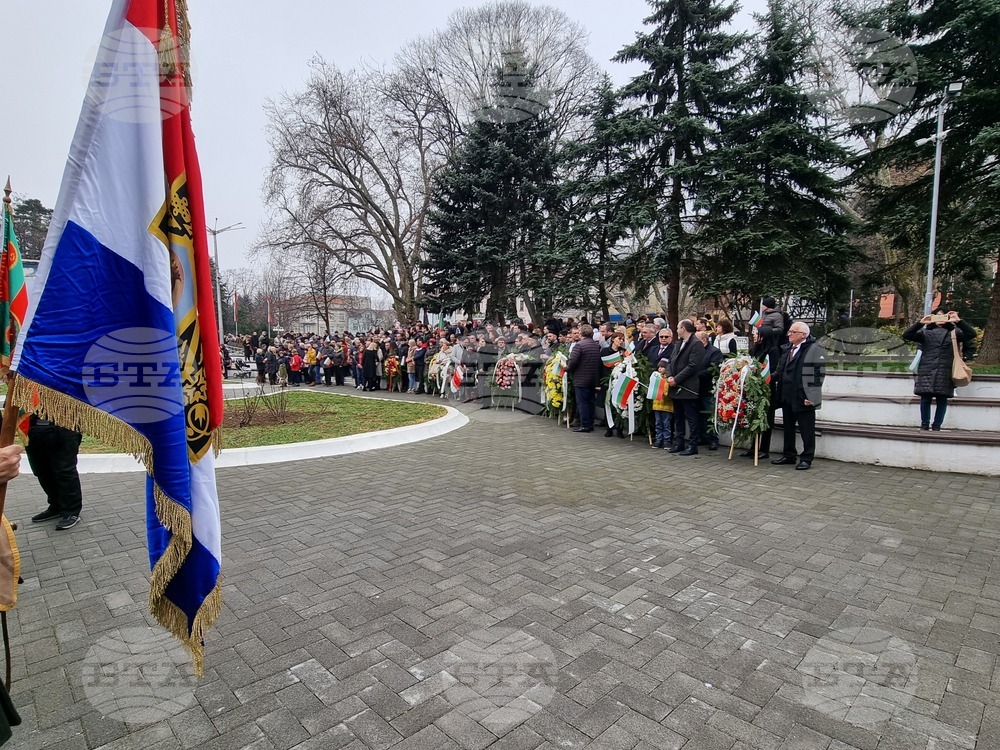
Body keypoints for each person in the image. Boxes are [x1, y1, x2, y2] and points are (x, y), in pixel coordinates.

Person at [902, 310, 976, 430]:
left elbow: (971, 334)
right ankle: (924, 424)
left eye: (943, 315)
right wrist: (920, 323)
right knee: (925, 398)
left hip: (945, 369)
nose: (940, 319)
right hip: (927, 369)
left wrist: (958, 321)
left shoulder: (954, 333)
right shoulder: (925, 333)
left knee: (942, 398)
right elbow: (907, 335)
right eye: (937, 315)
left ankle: (937, 426)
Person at [771, 321, 825, 470]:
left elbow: (817, 375)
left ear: (803, 335)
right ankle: (789, 455)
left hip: (803, 396)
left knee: (806, 429)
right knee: (788, 427)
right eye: (789, 331)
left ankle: (807, 458)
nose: (789, 334)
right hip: (786, 394)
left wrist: (812, 398)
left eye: (793, 332)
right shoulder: (787, 349)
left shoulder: (814, 349)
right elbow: (781, 369)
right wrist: (769, 377)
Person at [27, 415, 84, 530]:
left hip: (64, 424)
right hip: (34, 426)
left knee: (64, 472)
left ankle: (71, 511)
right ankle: (56, 506)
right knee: (41, 470)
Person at [742, 324, 780, 460]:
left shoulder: (773, 350)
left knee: (766, 418)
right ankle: (753, 447)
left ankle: (764, 449)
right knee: (754, 417)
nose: (754, 335)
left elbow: (775, 370)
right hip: (753, 388)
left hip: (767, 388)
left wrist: (764, 378)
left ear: (764, 336)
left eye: (756, 333)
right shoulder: (755, 349)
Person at [667, 319, 705, 455]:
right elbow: (670, 361)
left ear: (683, 328)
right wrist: (670, 376)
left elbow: (693, 366)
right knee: (678, 416)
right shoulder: (678, 343)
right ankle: (680, 442)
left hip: (687, 386)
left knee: (691, 417)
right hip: (674, 386)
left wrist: (676, 379)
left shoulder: (696, 344)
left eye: (678, 327)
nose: (676, 330)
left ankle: (693, 445)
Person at [567, 323, 601, 433]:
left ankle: (585, 425)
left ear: (581, 333)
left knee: (582, 403)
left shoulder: (579, 345)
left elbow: (573, 361)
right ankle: (590, 423)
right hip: (593, 378)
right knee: (590, 402)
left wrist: (567, 368)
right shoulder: (596, 345)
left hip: (581, 378)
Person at [696, 331, 723, 450]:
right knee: (698, 415)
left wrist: (695, 375)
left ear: (704, 340)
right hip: (695, 388)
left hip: (708, 388)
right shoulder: (695, 351)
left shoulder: (714, 352)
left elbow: (714, 368)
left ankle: (713, 439)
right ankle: (702, 437)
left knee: (709, 414)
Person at [651, 359, 674, 449]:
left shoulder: (668, 379)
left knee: (666, 424)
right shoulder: (656, 377)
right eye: (659, 367)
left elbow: (667, 393)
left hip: (666, 406)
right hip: (657, 405)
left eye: (662, 367)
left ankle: (667, 441)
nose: (660, 369)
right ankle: (658, 440)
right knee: (658, 424)